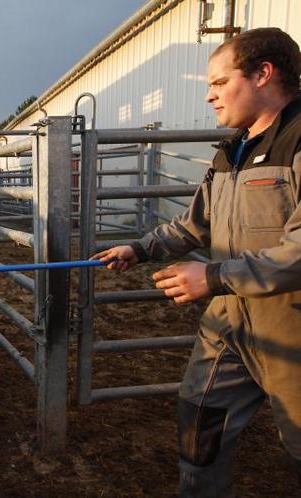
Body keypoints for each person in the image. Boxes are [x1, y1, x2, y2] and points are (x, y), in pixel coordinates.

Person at [92, 27, 301, 497]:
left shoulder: (298, 142)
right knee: (199, 423)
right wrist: (140, 248)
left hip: (291, 329)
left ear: (263, 74)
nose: (209, 96)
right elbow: (195, 225)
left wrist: (212, 276)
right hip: (231, 322)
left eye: (219, 82)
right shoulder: (232, 150)